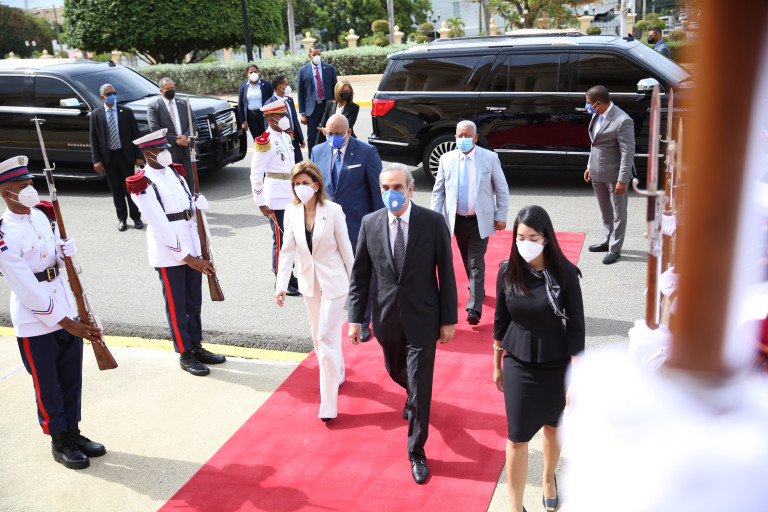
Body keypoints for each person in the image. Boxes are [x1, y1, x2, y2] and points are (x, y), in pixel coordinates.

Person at [348, 163, 458, 484]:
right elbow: (360, 276)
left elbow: (446, 273)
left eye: (397, 187)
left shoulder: (433, 223)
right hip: (386, 319)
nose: (391, 193)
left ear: (410, 189)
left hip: (424, 317)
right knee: (396, 370)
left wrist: (448, 320)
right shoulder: (370, 223)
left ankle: (416, 451)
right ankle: (413, 394)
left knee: (420, 385)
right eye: (385, 187)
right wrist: (355, 318)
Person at [0, 156, 105, 470]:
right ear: (6, 192)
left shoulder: (42, 216)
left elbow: (52, 259)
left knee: (71, 378)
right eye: (22, 185)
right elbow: (25, 286)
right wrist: (66, 322)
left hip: (65, 305)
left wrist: (64, 252)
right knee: (48, 384)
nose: (29, 189)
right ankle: (59, 440)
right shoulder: (4, 233)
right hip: (35, 319)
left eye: (30, 182)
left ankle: (73, 431)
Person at [492, 205, 584, 512]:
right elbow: (500, 320)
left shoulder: (565, 274)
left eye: (532, 237)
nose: (525, 243)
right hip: (518, 360)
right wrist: (496, 363)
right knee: (516, 437)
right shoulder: (507, 270)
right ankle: (516, 507)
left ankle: (547, 478)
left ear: (546, 238)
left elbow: (577, 329)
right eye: (520, 237)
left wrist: (576, 379)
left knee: (552, 426)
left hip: (555, 361)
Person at [126, 129, 226, 376]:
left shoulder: (175, 172)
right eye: (159, 149)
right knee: (177, 305)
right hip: (170, 253)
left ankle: (196, 345)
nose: (165, 152)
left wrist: (197, 204)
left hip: (191, 245)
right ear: (147, 153)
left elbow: (185, 209)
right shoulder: (142, 183)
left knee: (194, 301)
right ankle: (184, 352)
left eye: (165, 148)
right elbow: (159, 224)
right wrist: (187, 257)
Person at [274, 161, 354, 422]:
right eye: (296, 184)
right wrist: (281, 285)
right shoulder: (291, 211)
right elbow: (287, 250)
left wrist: (357, 287)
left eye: (305, 183)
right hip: (309, 283)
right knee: (318, 337)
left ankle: (328, 405)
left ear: (316, 185)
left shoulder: (333, 210)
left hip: (335, 283)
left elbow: (346, 250)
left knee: (325, 338)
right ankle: (336, 372)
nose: (300, 188)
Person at [311, 113, 384, 341]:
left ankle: (362, 320)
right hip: (327, 227)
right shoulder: (317, 152)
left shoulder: (366, 152)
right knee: (331, 274)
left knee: (361, 275)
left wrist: (379, 226)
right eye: (329, 133)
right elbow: (315, 190)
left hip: (357, 226)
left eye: (338, 134)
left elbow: (377, 192)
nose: (333, 137)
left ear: (349, 132)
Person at [431, 120, 509, 325]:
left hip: (480, 220)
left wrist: (501, 216)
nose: (462, 139)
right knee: (467, 259)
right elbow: (438, 192)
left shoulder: (489, 158)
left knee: (476, 262)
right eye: (459, 135)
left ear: (475, 138)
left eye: (467, 135)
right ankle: (477, 288)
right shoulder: (446, 159)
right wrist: (435, 218)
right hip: (456, 220)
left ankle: (474, 308)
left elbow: (502, 189)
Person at [250, 97, 300, 296]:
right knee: (280, 240)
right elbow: (256, 175)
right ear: (271, 119)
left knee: (292, 238)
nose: (285, 118)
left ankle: (290, 275)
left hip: (291, 195)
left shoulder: (286, 137)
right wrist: (261, 202)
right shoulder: (266, 141)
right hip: (276, 198)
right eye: (281, 115)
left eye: (285, 114)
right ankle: (281, 279)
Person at [583, 85, 635, 265]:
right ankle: (607, 240)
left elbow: (627, 153)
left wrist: (622, 179)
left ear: (598, 103)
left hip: (614, 175)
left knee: (619, 213)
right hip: (597, 172)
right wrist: (589, 166)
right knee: (605, 211)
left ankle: (615, 248)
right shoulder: (597, 115)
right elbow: (595, 143)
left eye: (589, 103)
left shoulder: (623, 120)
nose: (587, 106)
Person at [89, 83, 145, 232]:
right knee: (116, 190)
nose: (112, 96)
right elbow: (94, 139)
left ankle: (136, 217)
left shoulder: (125, 112)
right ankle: (122, 219)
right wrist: (96, 160)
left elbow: (135, 134)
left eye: (114, 93)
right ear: (102, 97)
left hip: (125, 155)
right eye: (109, 94)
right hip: (109, 157)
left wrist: (139, 155)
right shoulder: (96, 115)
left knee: (130, 188)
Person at [147, 77, 193, 188]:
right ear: (161, 90)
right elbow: (155, 128)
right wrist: (176, 140)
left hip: (185, 148)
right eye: (168, 89)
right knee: (174, 182)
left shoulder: (183, 103)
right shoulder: (154, 106)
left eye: (173, 88)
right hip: (169, 150)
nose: (171, 90)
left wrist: (186, 136)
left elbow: (193, 121)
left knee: (189, 181)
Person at [297, 45, 337, 158]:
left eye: (319, 54)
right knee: (312, 137)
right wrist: (302, 113)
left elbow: (335, 88)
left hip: (327, 106)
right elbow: (300, 93)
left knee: (329, 133)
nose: (317, 56)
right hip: (312, 109)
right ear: (309, 55)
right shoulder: (303, 70)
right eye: (314, 54)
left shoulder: (329, 68)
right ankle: (313, 160)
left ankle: (329, 157)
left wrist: (336, 106)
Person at [267, 75, 305, 164]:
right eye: (286, 84)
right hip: (280, 140)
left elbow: (294, 121)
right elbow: (268, 124)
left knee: (299, 164)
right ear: (280, 87)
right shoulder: (270, 104)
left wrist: (301, 138)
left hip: (293, 139)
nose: (288, 87)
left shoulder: (289, 100)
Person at [315, 80, 359, 145]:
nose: (346, 93)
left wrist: (328, 131)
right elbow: (323, 125)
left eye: (348, 91)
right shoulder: (330, 104)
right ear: (338, 92)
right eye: (343, 91)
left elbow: (347, 126)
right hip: (330, 141)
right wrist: (317, 146)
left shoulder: (354, 107)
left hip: (346, 141)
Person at [237, 64, 274, 140]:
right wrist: (243, 122)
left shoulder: (266, 84)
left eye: (255, 72)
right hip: (251, 117)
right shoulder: (244, 86)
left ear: (258, 72)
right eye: (251, 72)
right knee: (257, 139)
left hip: (264, 115)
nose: (253, 74)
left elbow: (273, 99)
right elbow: (240, 104)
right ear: (247, 74)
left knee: (267, 138)